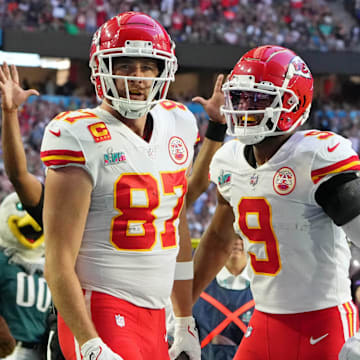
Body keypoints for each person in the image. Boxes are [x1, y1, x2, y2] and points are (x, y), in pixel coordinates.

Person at [39, 12, 201, 360]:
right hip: (101, 308)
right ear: (101, 67)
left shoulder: (179, 122)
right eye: (125, 65)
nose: (138, 78)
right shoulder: (79, 134)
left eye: (147, 66)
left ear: (163, 71)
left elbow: (176, 227)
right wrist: (90, 342)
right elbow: (57, 260)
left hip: (156, 316)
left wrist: (185, 317)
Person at [192, 44, 360, 360]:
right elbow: (216, 240)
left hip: (324, 323)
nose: (244, 107)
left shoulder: (315, 158)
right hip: (265, 320)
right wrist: (184, 315)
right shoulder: (230, 162)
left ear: (292, 104)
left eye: (258, 99)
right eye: (240, 97)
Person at [0, 192, 51, 360]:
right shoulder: (2, 260)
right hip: (8, 351)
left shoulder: (51, 267)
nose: (33, 222)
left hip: (41, 351)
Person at [193, 236, 254, 360]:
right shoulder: (196, 286)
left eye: (241, 236)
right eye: (232, 235)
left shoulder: (263, 291)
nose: (237, 241)